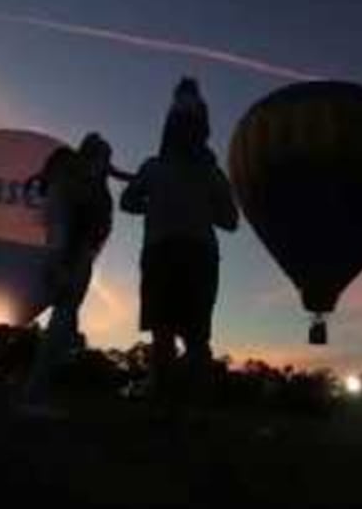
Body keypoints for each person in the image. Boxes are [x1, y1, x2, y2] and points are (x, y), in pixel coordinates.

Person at [120, 77, 239, 409]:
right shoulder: (212, 175)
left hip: (162, 252)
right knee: (197, 338)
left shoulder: (152, 167)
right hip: (199, 255)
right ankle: (196, 410)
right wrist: (199, 207)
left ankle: (165, 407)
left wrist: (160, 204)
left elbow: (128, 202)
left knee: (163, 335)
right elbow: (230, 221)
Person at [19, 132, 115, 415]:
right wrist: (61, 264)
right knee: (63, 319)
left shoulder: (77, 181)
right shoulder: (74, 182)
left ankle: (41, 388)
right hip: (69, 259)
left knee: (65, 319)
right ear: (94, 157)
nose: (107, 165)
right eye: (104, 158)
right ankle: (34, 396)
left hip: (73, 257)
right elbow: (65, 227)